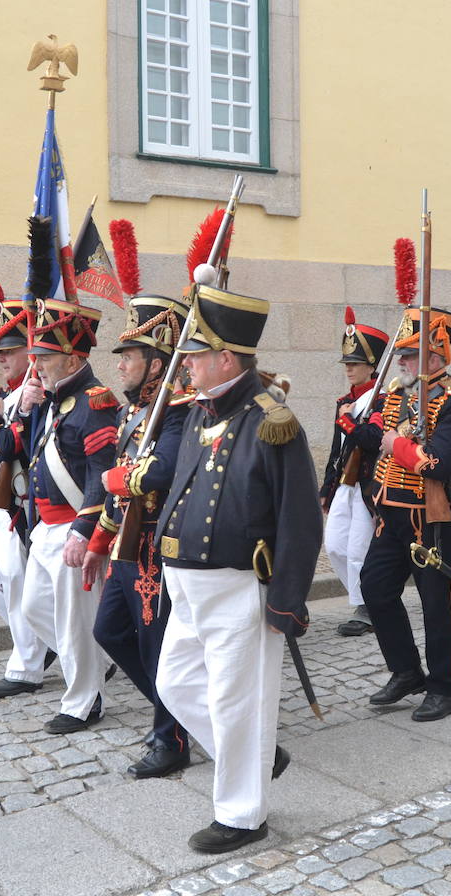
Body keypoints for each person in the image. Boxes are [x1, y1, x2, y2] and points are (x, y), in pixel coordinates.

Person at [154, 284, 321, 855]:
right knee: (174, 682)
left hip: (237, 589)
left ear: (226, 357)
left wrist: (287, 601)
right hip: (188, 586)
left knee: (234, 700)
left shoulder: (272, 421)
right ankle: (257, 755)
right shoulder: (201, 414)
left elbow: (300, 521)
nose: (187, 366)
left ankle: (242, 814)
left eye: (196, 356)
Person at [87, 294, 194, 778]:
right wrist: (97, 541)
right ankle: (187, 713)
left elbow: (162, 471)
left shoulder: (175, 409)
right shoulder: (132, 415)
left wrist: (117, 481)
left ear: (157, 363)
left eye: (130, 355)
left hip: (156, 544)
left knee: (156, 645)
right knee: (107, 631)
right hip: (126, 545)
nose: (122, 364)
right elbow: (121, 482)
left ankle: (170, 740)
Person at [351, 307, 451, 720]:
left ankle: (444, 687)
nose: (400, 361)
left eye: (409, 354)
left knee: (436, 602)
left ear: (435, 358)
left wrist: (395, 443)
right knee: (374, 588)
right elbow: (377, 441)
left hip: (435, 518)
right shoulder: (397, 393)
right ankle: (406, 671)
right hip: (392, 513)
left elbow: (438, 461)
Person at [15, 297, 119, 733]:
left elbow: (101, 474)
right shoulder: (54, 400)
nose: (35, 364)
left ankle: (83, 701)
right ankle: (100, 662)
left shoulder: (95, 402)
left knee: (73, 623)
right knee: (35, 609)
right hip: (47, 527)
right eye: (36, 355)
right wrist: (27, 407)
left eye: (44, 356)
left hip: (73, 527)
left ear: (73, 357)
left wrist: (83, 528)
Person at [0, 295, 58, 698]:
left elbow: (10, 448)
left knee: (14, 579)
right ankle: (60, 644)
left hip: (18, 506)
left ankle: (27, 666)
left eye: (10, 350)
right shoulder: (9, 390)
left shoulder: (34, 392)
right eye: (1, 351)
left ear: (30, 350)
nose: (2, 358)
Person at [319, 307, 390, 636]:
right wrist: (326, 488)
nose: (349, 369)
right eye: (347, 363)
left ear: (371, 366)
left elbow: (375, 441)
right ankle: (366, 598)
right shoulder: (344, 401)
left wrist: (349, 421)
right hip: (345, 483)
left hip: (369, 483)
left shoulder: (384, 401)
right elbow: (338, 450)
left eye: (355, 363)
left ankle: (368, 607)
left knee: (360, 547)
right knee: (334, 545)